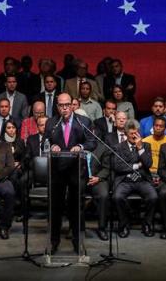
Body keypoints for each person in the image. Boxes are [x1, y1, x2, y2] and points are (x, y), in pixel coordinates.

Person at [45, 92, 96, 254]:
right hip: (57, 170)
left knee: (76, 207)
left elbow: (92, 142)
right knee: (56, 207)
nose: (65, 108)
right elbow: (45, 141)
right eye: (61, 105)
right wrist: (51, 146)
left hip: (76, 169)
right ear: (57, 106)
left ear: (73, 105)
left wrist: (80, 147)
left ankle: (77, 240)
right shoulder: (51, 122)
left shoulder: (84, 121)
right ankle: (54, 241)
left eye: (67, 105)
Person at [112, 119, 157, 239]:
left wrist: (140, 148)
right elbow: (117, 166)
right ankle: (124, 224)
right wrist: (136, 165)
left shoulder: (146, 145)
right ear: (126, 133)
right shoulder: (118, 147)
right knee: (117, 197)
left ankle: (147, 224)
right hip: (125, 180)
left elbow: (148, 164)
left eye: (136, 133)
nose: (134, 136)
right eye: (131, 133)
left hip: (142, 180)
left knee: (153, 197)